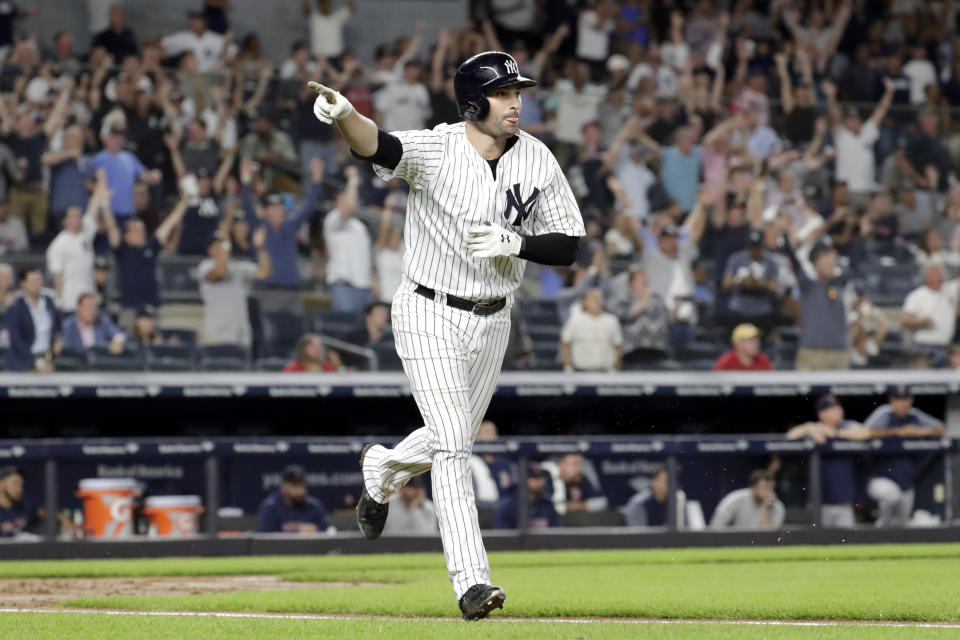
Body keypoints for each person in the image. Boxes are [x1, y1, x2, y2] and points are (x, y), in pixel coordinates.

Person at [310, 49, 585, 619]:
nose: (515, 102)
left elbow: (569, 243)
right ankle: (472, 582)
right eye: (504, 93)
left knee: (453, 435)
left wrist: (519, 243)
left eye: (517, 93)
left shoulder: (536, 157)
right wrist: (345, 115)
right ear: (473, 101)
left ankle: (382, 470)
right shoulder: (438, 148)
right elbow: (378, 145)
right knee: (455, 446)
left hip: (493, 316)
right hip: (429, 309)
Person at [241, 156, 323, 312]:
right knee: (271, 331)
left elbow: (309, 207)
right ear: (266, 211)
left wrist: (316, 180)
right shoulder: (260, 226)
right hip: (269, 290)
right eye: (275, 207)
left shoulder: (290, 226)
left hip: (293, 289)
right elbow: (247, 205)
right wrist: (246, 179)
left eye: (280, 207)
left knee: (296, 332)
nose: (280, 210)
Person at [864, 385, 946, 528]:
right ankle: (879, 527)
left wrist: (918, 432)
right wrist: (896, 432)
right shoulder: (884, 413)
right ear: (892, 400)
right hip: (881, 478)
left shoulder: (914, 415)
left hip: (906, 482)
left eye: (905, 399)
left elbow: (940, 429)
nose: (901, 402)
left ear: (910, 400)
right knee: (891, 495)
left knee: (901, 524)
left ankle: (889, 545)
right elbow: (864, 432)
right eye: (898, 399)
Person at [102, 187, 189, 319]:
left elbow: (169, 224)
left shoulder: (150, 247)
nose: (141, 233)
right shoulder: (122, 250)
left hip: (151, 306)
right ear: (126, 236)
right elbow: (111, 227)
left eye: (142, 229)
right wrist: (105, 205)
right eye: (136, 230)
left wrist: (184, 202)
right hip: (129, 308)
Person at [786, 395, 872, 528]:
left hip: (844, 500)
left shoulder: (848, 425)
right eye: (832, 409)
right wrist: (809, 427)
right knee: (819, 541)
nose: (838, 412)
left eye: (838, 408)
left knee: (845, 541)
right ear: (821, 414)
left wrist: (834, 433)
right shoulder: (815, 427)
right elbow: (790, 436)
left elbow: (866, 433)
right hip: (819, 501)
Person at [198, 221, 271, 347]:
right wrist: (226, 242)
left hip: (241, 333)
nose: (223, 248)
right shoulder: (205, 266)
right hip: (217, 335)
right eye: (218, 245)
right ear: (210, 250)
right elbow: (219, 272)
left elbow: (263, 273)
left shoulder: (237, 266)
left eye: (224, 245)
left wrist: (260, 247)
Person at [45, 175, 106, 311]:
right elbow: (57, 274)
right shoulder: (58, 244)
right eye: (73, 216)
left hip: (89, 296)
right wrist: (59, 299)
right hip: (70, 300)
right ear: (64, 221)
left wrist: (101, 183)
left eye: (79, 215)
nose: (78, 219)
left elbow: (92, 209)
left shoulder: (84, 235)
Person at [787, 242, 850, 371]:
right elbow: (795, 264)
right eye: (826, 262)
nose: (831, 266)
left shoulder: (839, 285)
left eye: (832, 262)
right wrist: (786, 238)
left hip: (839, 353)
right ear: (816, 266)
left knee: (840, 391)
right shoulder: (809, 286)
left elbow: (852, 264)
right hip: (812, 353)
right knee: (808, 390)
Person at [323, 166, 371, 313]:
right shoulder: (332, 219)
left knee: (359, 333)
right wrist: (353, 179)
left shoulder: (359, 225)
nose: (349, 197)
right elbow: (348, 207)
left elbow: (366, 255)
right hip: (344, 286)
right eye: (344, 195)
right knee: (344, 330)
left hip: (363, 285)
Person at [721, 229, 779, 336]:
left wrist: (761, 283)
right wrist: (740, 280)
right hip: (738, 311)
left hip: (762, 312)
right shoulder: (737, 259)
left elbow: (775, 289)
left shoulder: (770, 261)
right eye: (752, 248)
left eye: (757, 248)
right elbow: (725, 285)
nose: (754, 251)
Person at [901, 263, 959, 366]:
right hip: (923, 348)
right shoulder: (917, 296)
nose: (940, 277)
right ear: (927, 277)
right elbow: (905, 321)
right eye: (936, 274)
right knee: (923, 380)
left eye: (941, 274)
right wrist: (921, 321)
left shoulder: (949, 290)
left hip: (945, 347)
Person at [4, 266, 59, 372]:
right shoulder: (15, 308)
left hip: (48, 358)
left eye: (39, 280)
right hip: (23, 361)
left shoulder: (48, 302)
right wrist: (36, 362)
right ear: (23, 283)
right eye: (33, 281)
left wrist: (57, 339)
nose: (37, 284)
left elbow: (57, 326)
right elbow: (16, 341)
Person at [560, 287, 622, 372]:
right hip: (581, 372)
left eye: (599, 298)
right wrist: (568, 367)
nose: (596, 301)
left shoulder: (611, 320)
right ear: (584, 302)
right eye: (592, 298)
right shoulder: (575, 320)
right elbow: (564, 343)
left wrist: (615, 368)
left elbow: (617, 346)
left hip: (606, 372)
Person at [257, 465, 331, 534]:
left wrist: (316, 531)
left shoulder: (314, 506)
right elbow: (266, 539)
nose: (300, 490)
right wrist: (297, 532)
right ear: (283, 486)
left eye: (302, 485)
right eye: (295, 485)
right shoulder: (271, 507)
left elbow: (326, 531)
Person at [493, 464, 563, 530]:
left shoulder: (547, 504)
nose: (541, 481)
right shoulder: (507, 506)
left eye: (542, 477)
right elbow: (501, 538)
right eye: (534, 477)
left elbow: (558, 533)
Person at [709, 469, 785, 530]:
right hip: (736, 542)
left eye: (771, 488)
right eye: (765, 488)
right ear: (754, 488)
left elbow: (771, 536)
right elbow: (716, 527)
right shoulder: (735, 499)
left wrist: (764, 508)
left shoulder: (777, 506)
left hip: (762, 546)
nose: (769, 492)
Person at [543, 452, 608, 515]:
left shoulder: (581, 477)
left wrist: (580, 506)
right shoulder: (548, 476)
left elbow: (602, 502)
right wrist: (566, 505)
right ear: (561, 465)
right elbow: (545, 505)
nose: (579, 469)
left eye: (580, 464)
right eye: (574, 464)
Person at [469, 420, 514, 509]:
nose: (490, 436)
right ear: (476, 436)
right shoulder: (471, 461)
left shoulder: (504, 462)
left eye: (492, 433)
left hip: (504, 507)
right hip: (481, 508)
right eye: (485, 433)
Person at [61, 293, 127, 354]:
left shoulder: (102, 322)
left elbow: (119, 334)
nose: (92, 311)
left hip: (99, 363)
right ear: (78, 309)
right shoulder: (68, 325)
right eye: (88, 307)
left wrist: (118, 341)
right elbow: (65, 348)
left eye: (94, 307)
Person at [0, 466, 38, 538]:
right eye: (15, 484)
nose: (19, 489)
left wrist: (63, 519)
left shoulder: (24, 508)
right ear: (1, 484)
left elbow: (42, 512)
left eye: (21, 485)